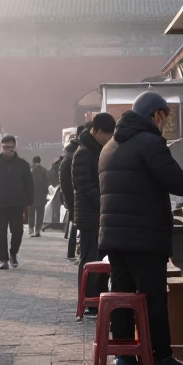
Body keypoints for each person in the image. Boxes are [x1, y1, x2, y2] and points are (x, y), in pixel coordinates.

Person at [99, 90, 183, 365]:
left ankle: (124, 356)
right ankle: (161, 358)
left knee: (122, 293)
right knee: (153, 297)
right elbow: (174, 179)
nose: (163, 123)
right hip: (144, 237)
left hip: (115, 236)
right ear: (156, 114)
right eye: (164, 117)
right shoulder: (149, 142)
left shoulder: (110, 145)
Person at [71, 113, 116, 315]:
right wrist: (104, 201)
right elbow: (84, 186)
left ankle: (97, 297)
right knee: (89, 257)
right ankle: (88, 301)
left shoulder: (98, 149)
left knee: (99, 258)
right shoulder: (83, 152)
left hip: (98, 213)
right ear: (96, 131)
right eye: (106, 134)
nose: (109, 138)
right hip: (89, 214)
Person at [0, 134, 33, 270]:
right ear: (2, 147)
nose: (8, 151)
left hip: (17, 203)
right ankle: (3, 259)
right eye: (5, 148)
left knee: (17, 231)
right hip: (0, 203)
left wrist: (29, 200)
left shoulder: (22, 164)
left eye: (11, 148)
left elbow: (29, 184)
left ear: (15, 147)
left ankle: (13, 253)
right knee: (1, 233)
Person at [59, 133, 79, 260]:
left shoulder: (66, 158)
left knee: (74, 223)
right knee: (74, 223)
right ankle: (71, 251)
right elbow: (66, 182)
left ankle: (71, 251)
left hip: (69, 196)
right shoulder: (70, 159)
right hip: (72, 197)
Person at [29, 155, 49, 237]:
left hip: (32, 195)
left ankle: (31, 228)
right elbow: (47, 183)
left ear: (33, 162)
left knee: (31, 213)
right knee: (40, 213)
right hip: (41, 196)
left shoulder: (31, 171)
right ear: (40, 161)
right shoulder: (44, 171)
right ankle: (37, 230)